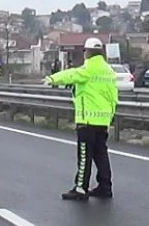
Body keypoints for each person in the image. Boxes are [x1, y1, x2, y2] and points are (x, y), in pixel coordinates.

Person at [44, 37, 119, 202]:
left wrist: (52, 79)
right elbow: (114, 97)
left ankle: (81, 189)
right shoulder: (109, 71)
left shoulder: (88, 69)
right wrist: (109, 116)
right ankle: (105, 187)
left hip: (87, 121)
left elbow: (72, 74)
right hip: (103, 121)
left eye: (85, 50)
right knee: (101, 155)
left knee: (85, 156)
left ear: (88, 52)